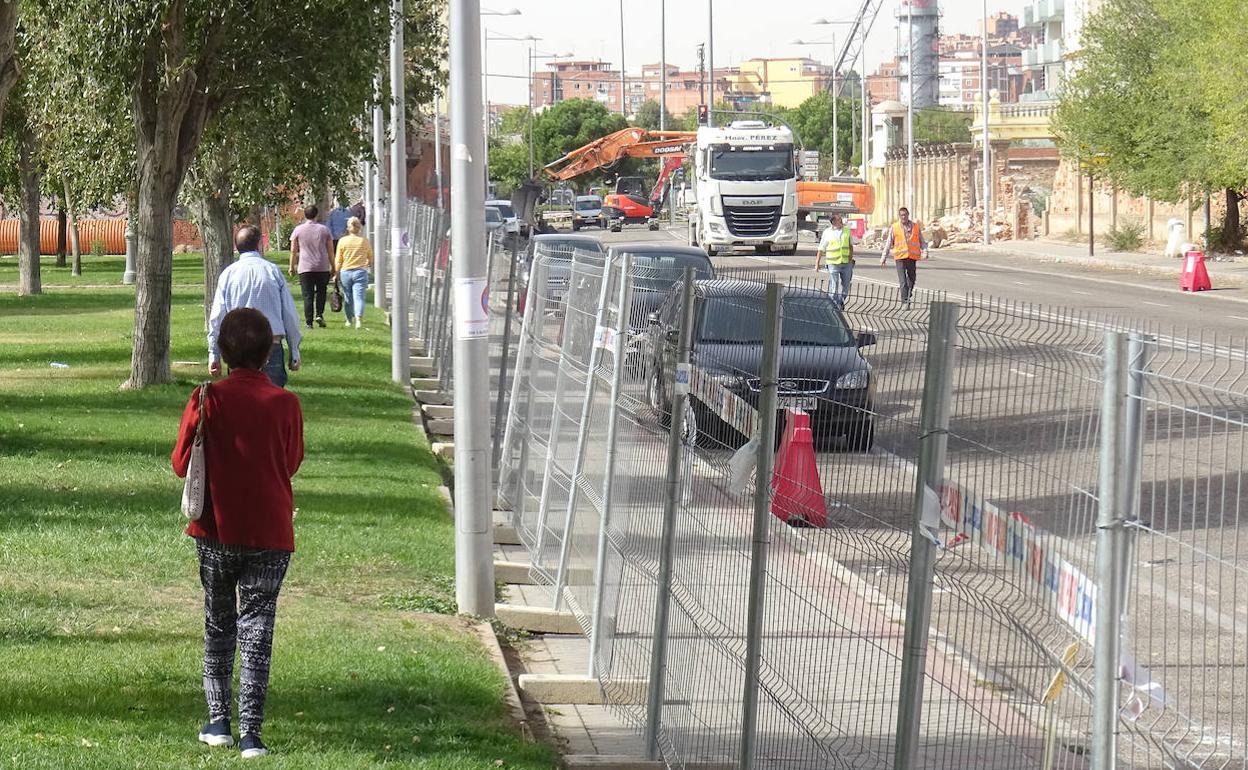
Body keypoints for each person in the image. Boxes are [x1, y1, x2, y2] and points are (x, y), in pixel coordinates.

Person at [173, 307, 304, 759]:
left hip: (215, 530)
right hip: (270, 531)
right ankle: (252, 733)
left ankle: (217, 721)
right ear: (268, 351)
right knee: (257, 628)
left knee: (218, 620)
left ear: (223, 352)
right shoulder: (286, 404)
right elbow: (292, 461)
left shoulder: (206, 398)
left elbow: (180, 464)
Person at [208, 225, 302, 387]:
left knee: (241, 401)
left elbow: (217, 318)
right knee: (272, 400)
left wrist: (214, 354)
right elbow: (289, 314)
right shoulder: (272, 271)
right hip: (270, 345)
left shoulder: (228, 275)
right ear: (259, 244)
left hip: (238, 347)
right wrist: (294, 350)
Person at [288, 205, 335, 329]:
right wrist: (333, 267)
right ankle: (319, 314)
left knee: (307, 295)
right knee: (321, 292)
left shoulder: (298, 230)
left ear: (305, 215)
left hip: (305, 267)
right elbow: (330, 251)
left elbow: (293, 250)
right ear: (316, 215)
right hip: (322, 266)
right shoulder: (324, 230)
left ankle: (309, 322)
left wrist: (291, 266)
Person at [879, 207, 928, 309]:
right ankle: (905, 301)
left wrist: (925, 251)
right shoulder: (895, 227)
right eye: (901, 215)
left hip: (912, 257)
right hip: (900, 257)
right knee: (903, 281)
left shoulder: (915, 226)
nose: (903, 217)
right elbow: (889, 242)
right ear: (899, 216)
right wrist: (884, 257)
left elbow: (922, 241)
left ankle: (908, 294)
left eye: (905, 214)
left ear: (908, 215)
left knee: (912, 279)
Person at [334, 216, 374, 329]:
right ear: (359, 228)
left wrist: (336, 273)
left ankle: (348, 320)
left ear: (348, 228)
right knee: (359, 297)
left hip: (345, 272)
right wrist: (369, 263)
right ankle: (359, 320)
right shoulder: (364, 241)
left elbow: (338, 259)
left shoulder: (342, 241)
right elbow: (370, 255)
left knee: (348, 297)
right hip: (360, 271)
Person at [814, 214, 855, 310]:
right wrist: (817, 263)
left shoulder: (847, 230)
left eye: (840, 221)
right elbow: (821, 248)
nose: (840, 223)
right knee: (834, 284)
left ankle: (841, 301)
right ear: (833, 222)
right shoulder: (827, 232)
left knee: (846, 285)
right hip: (833, 263)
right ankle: (834, 304)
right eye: (837, 221)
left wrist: (850, 257)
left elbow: (851, 245)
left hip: (846, 263)